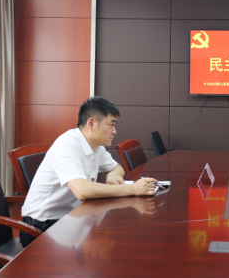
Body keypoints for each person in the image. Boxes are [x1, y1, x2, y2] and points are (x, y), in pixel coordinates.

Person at [20, 96, 158, 247]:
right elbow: (82, 191)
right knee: (111, 243)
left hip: (72, 218)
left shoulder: (96, 146)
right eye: (111, 125)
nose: (114, 131)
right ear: (91, 123)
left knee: (115, 236)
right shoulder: (68, 145)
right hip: (41, 226)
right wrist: (132, 189)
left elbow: (117, 168)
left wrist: (112, 175)